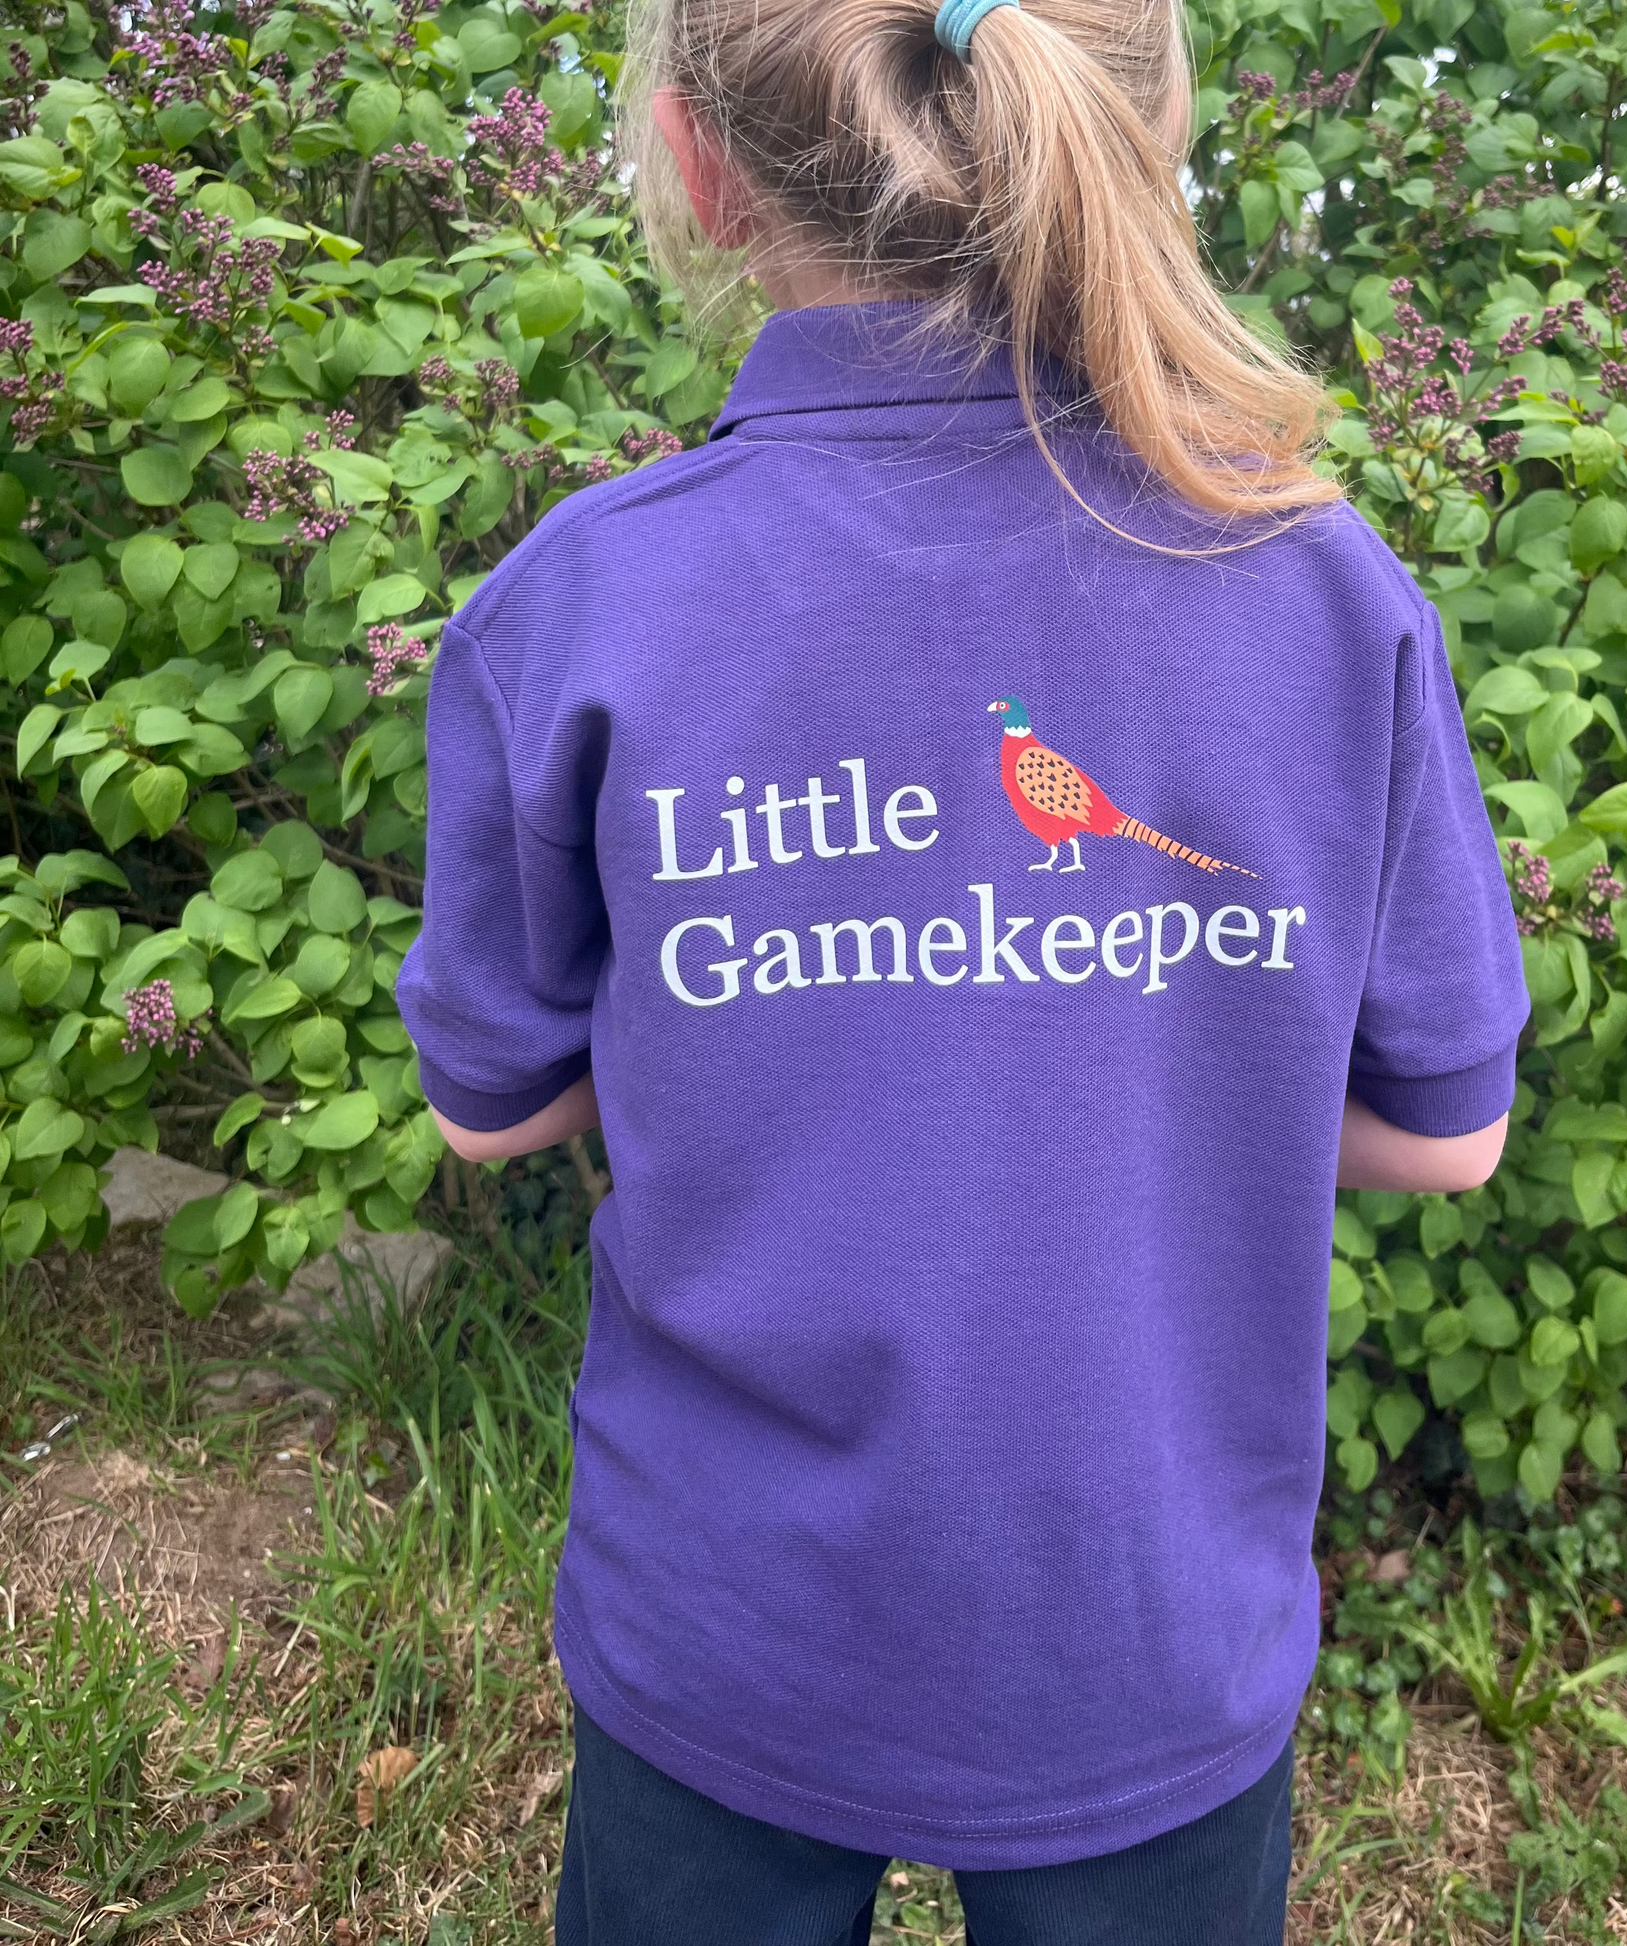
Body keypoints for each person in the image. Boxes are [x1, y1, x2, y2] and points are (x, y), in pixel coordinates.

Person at [393, 0, 1529, 1930]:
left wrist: (784, 1029)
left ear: (699, 167)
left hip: (728, 1622)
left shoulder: (587, 599)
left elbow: (488, 1107)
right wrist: (1144, 1045)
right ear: (1143, 135)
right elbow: (1445, 1134)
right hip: (1146, 1622)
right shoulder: (1318, 585)